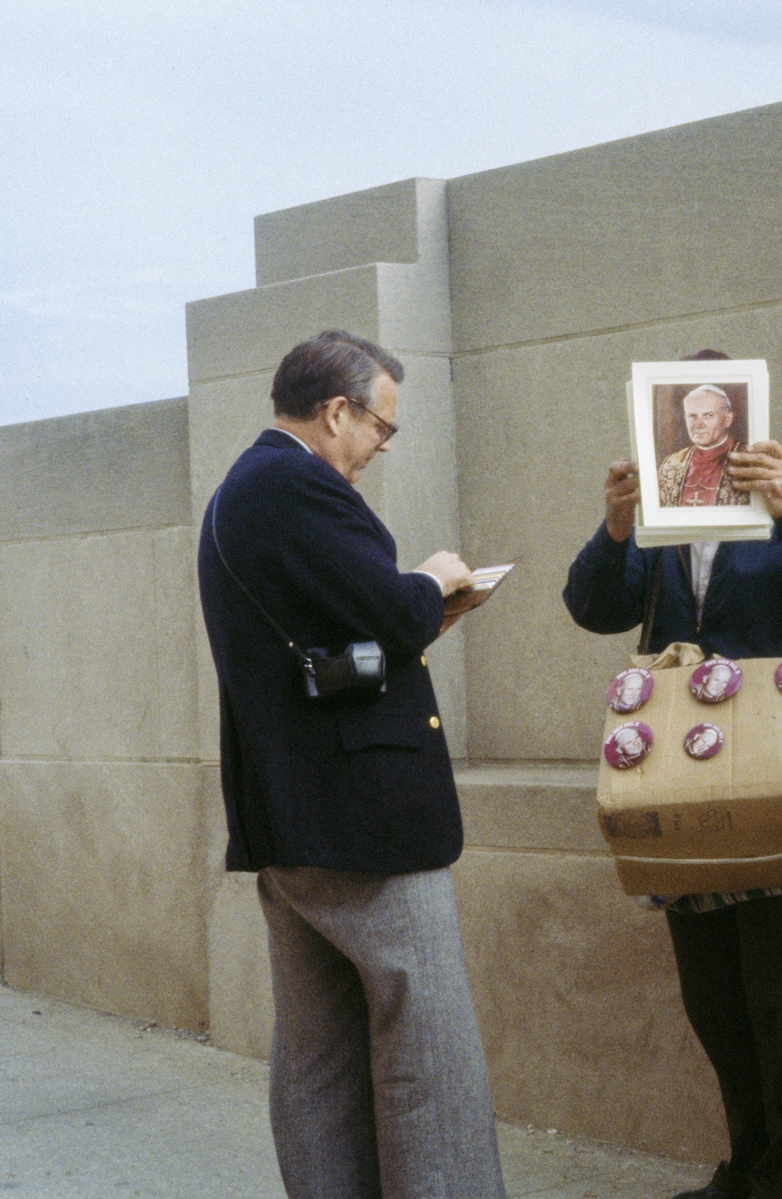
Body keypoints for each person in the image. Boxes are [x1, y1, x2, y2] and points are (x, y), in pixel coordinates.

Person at [563, 350, 782, 1199]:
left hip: (771, 771)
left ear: (740, 418)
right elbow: (593, 606)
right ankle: (746, 1172)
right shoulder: (659, 518)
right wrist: (618, 525)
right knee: (712, 998)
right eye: (685, 417)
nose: (699, 428)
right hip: (679, 775)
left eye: (712, 414)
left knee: (781, 1005)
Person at [196, 329, 506, 1199]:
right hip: (365, 821)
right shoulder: (301, 485)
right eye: (380, 425)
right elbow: (388, 610)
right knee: (429, 1056)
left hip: (292, 819)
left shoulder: (241, 490)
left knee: (319, 1061)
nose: (380, 446)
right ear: (337, 410)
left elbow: (329, 625)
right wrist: (437, 579)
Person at [659, 383, 750, 507]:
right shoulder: (671, 464)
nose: (699, 425)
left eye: (708, 415)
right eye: (692, 416)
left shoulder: (748, 459)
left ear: (727, 419)